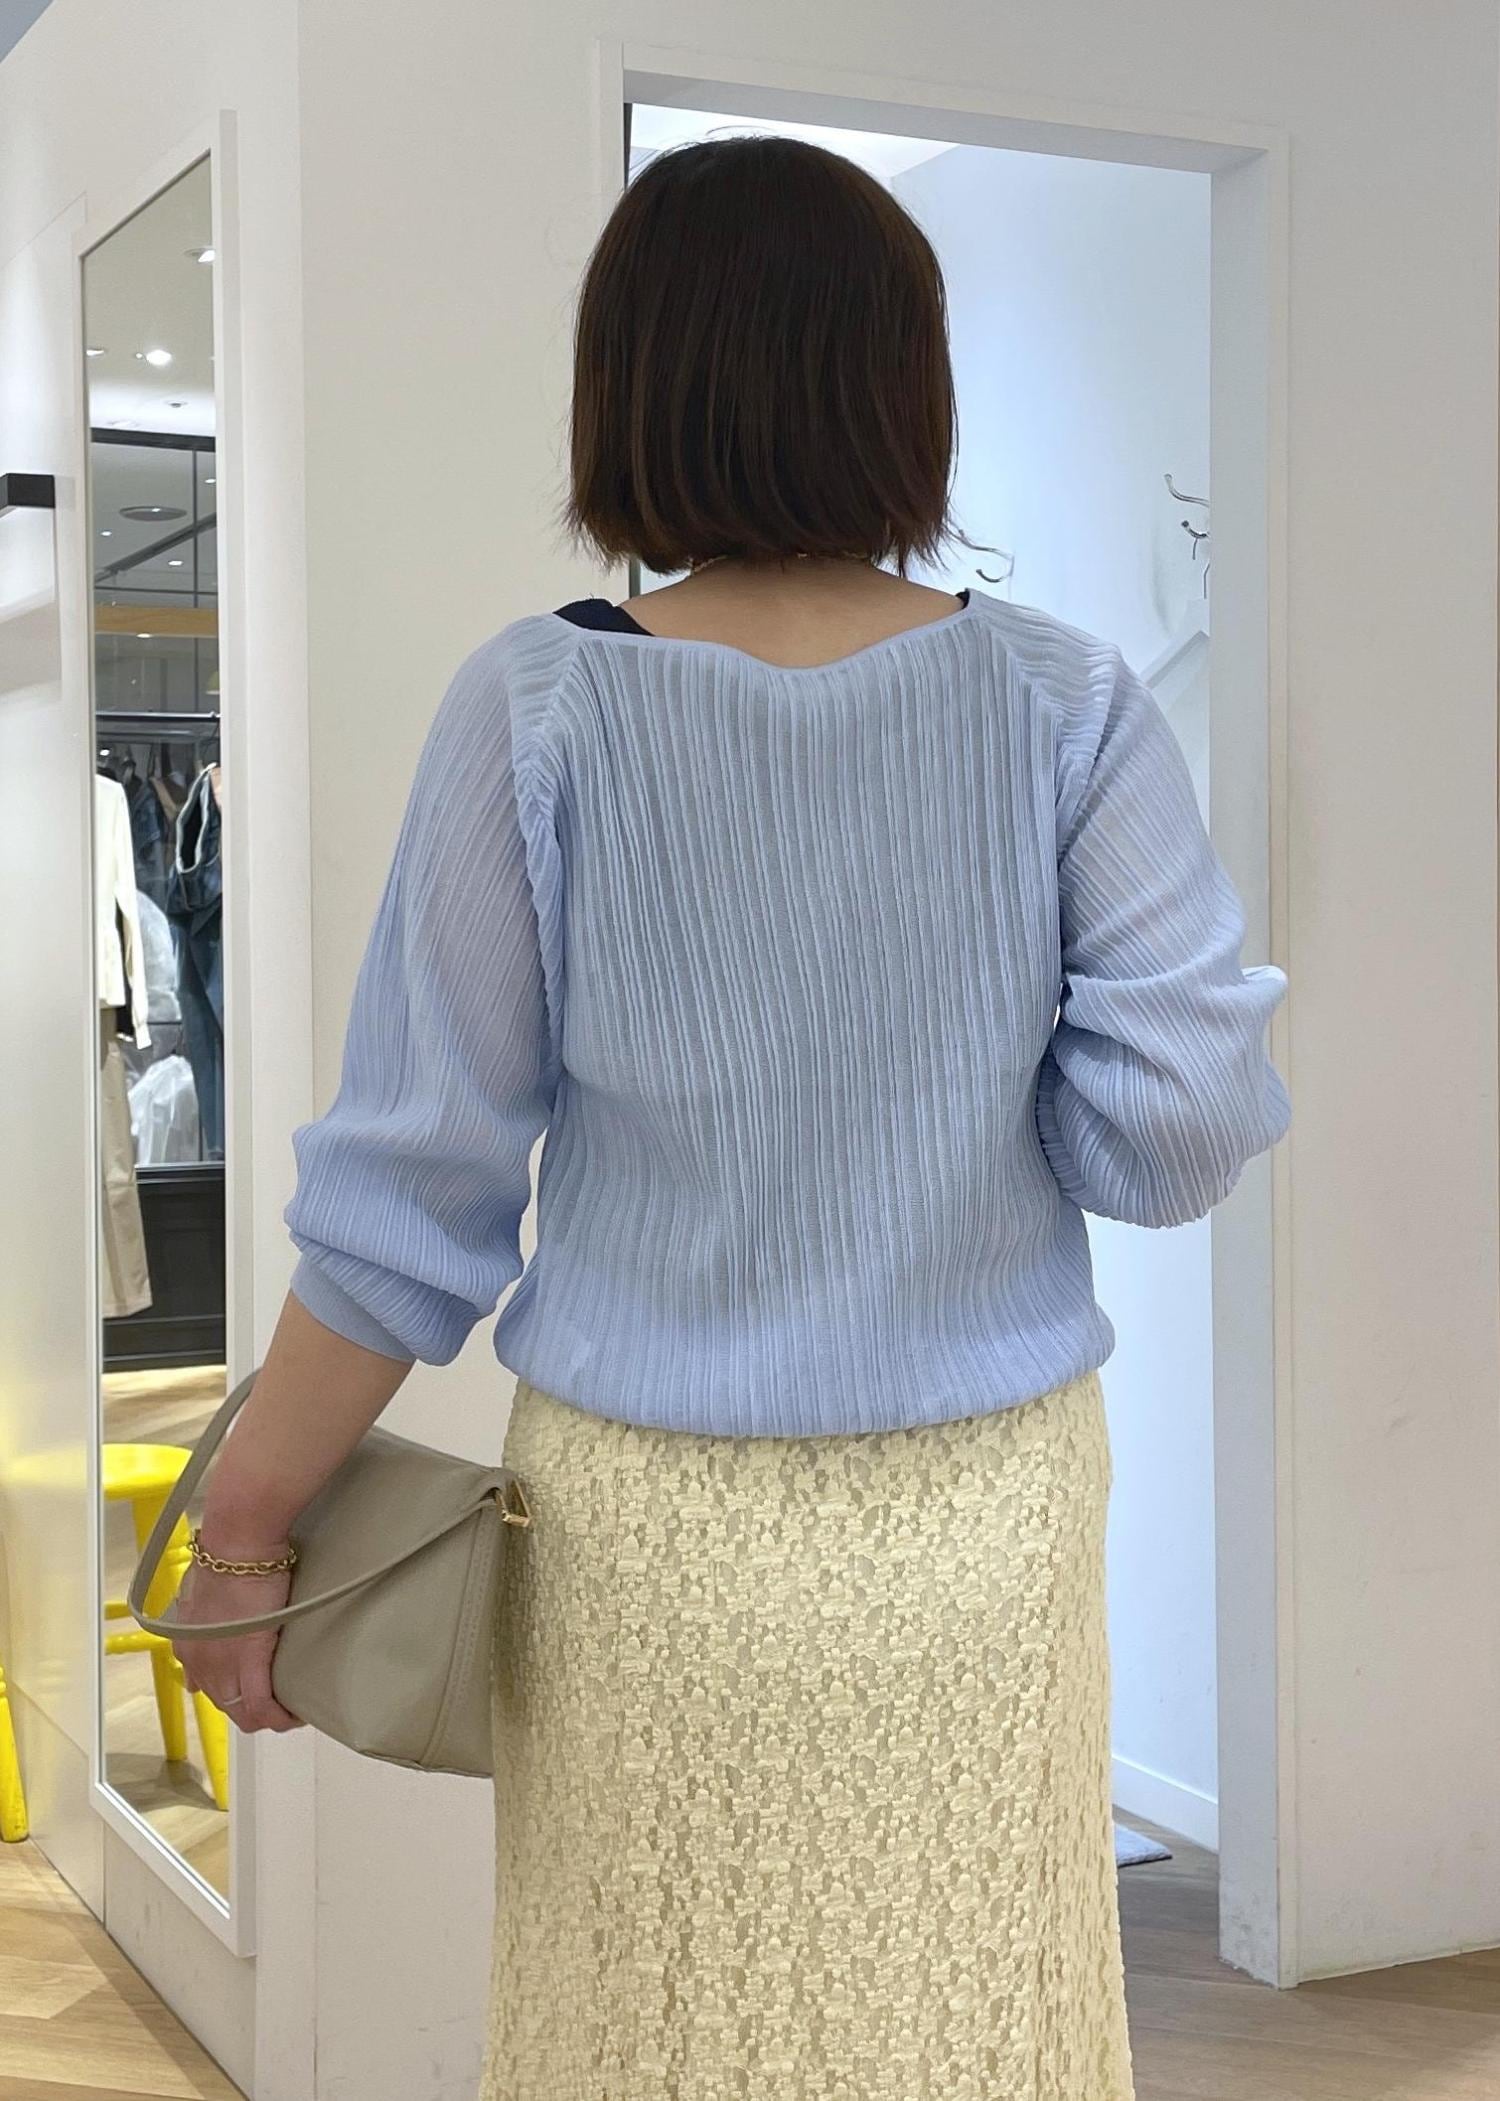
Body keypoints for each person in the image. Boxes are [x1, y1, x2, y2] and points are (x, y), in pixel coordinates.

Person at [172, 134, 1289, 2099]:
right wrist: (963, 1067)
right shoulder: (1068, 703)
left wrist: (248, 1520)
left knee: (657, 2021)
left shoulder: (536, 707)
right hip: (987, 1520)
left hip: (647, 1545)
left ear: (632, 386)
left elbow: (409, 1202)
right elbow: (1178, 1125)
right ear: (908, 388)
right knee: (970, 2020)